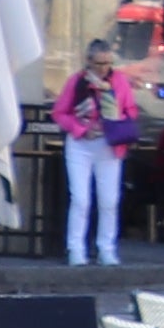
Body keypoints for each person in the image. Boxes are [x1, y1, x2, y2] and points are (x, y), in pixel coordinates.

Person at [53, 49, 136, 264]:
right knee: (80, 199)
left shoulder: (119, 81)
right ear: (89, 61)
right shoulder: (76, 82)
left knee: (109, 200)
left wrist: (113, 108)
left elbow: (131, 111)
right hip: (81, 143)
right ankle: (75, 248)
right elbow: (59, 112)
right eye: (99, 63)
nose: (103, 68)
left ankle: (107, 248)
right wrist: (80, 129)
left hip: (109, 144)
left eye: (108, 63)